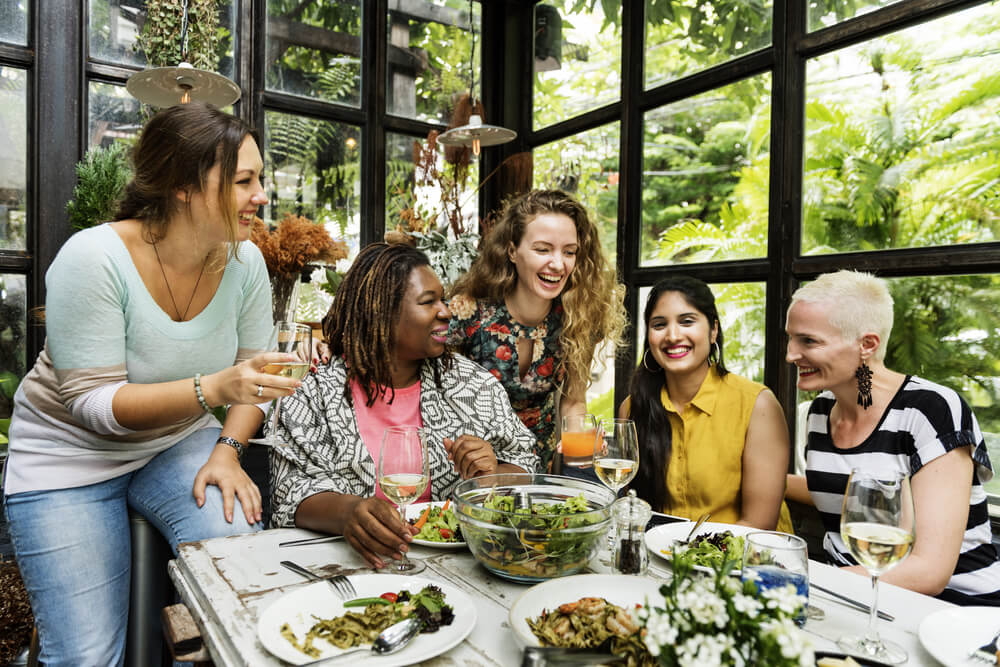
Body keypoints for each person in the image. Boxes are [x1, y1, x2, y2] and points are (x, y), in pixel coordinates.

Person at [2, 103, 302, 665]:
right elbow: (94, 406)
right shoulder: (94, 257)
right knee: (87, 658)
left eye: (258, 178)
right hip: (67, 458)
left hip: (173, 445)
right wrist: (214, 388)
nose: (261, 194)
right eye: (244, 181)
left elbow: (254, 377)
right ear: (184, 187)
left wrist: (229, 450)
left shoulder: (247, 264)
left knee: (240, 588)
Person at [269, 242, 538, 569]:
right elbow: (290, 491)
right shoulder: (314, 391)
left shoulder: (472, 386)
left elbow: (526, 465)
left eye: (442, 298)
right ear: (381, 314)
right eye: (428, 302)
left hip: (459, 567)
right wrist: (347, 513)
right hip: (343, 567)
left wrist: (491, 475)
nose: (446, 311)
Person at [785, 270, 1000, 604]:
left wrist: (797, 583)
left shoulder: (931, 410)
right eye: (790, 338)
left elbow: (929, 572)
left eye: (808, 341)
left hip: (951, 609)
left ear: (867, 345)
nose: (790, 354)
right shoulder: (820, 411)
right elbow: (854, 495)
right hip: (851, 598)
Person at [447, 189, 625, 471]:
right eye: (543, 249)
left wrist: (580, 444)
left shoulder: (579, 316)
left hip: (537, 469)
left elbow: (574, 401)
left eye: (569, 252)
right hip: (471, 469)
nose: (558, 264)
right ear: (512, 251)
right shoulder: (469, 313)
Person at [621, 276, 793, 531]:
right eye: (659, 325)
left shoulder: (757, 405)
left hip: (745, 560)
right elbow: (633, 508)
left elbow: (758, 524)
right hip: (662, 556)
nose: (673, 335)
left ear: (713, 330)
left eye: (687, 321)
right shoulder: (632, 407)